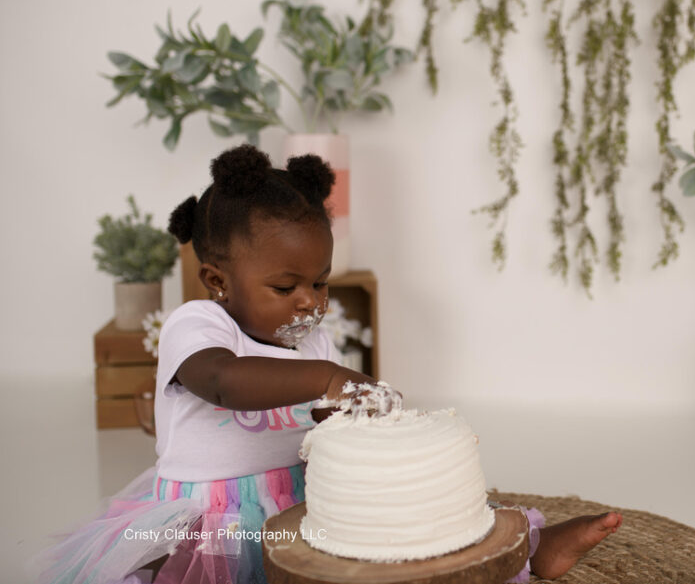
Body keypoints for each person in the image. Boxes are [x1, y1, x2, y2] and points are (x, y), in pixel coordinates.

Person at [36, 145, 621, 584]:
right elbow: (223, 381)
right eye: (285, 285)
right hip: (212, 516)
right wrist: (325, 381)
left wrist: (372, 435)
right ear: (218, 280)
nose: (309, 302)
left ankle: (528, 547)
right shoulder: (198, 326)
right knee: (189, 565)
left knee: (415, 524)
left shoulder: (313, 343)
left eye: (319, 282)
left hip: (305, 499)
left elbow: (327, 421)